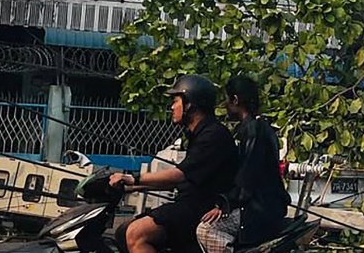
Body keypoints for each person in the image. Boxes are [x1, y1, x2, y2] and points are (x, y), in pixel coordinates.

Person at [111, 75, 238, 253]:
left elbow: (179, 175)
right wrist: (132, 187)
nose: (172, 107)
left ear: (190, 104)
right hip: (190, 205)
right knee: (122, 231)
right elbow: (179, 180)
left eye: (175, 101)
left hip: (202, 209)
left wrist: (133, 178)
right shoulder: (199, 134)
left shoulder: (213, 135)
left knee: (136, 233)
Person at [196, 75, 290, 253]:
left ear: (235, 100)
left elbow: (247, 176)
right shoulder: (258, 127)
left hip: (257, 210)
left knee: (206, 228)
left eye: (227, 100)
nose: (224, 105)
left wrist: (224, 204)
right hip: (266, 206)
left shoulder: (252, 131)